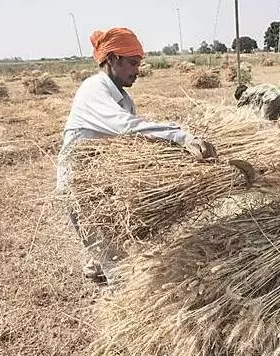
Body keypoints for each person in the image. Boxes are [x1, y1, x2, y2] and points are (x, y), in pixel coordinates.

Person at [56, 27, 216, 283]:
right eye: (132, 63)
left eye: (139, 64)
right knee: (117, 267)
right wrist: (180, 136)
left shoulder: (124, 98)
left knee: (110, 244)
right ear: (111, 59)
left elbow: (133, 143)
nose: (137, 71)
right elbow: (126, 126)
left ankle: (96, 264)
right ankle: (116, 304)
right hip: (80, 185)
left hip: (103, 180)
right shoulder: (93, 89)